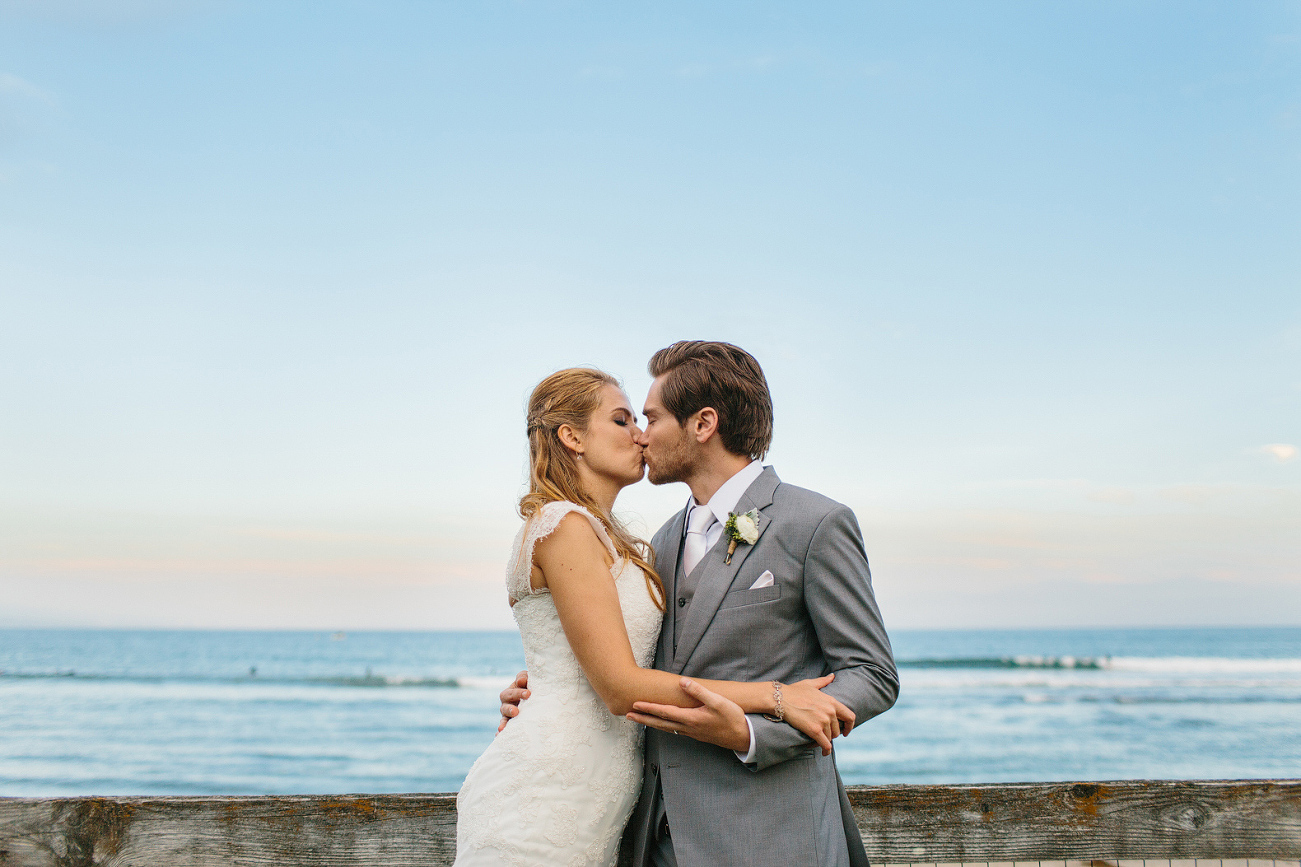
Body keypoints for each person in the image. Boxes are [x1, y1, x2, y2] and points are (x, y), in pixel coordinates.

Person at [500, 342, 899, 867]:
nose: (642, 434)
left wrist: (755, 732)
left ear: (703, 423)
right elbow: (624, 665)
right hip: (651, 837)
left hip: (774, 837)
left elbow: (871, 674)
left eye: (652, 417)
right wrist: (550, 691)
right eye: (630, 420)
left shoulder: (814, 523)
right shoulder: (656, 546)